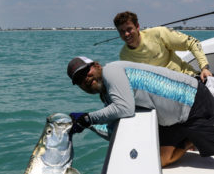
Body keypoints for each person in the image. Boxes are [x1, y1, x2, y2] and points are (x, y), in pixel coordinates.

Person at [67, 56, 214, 167]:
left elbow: (125, 108)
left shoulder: (111, 71)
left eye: (86, 71)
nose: (85, 79)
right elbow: (112, 131)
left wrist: (88, 118)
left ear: (97, 65)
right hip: (174, 120)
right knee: (159, 161)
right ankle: (190, 140)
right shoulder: (107, 95)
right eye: (79, 80)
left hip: (194, 102)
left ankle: (193, 137)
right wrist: (87, 125)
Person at [113, 11, 213, 83]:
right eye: (121, 31)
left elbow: (192, 42)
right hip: (162, 94)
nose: (126, 34)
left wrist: (204, 68)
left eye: (129, 29)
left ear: (137, 26)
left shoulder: (158, 33)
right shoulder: (124, 56)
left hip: (188, 79)